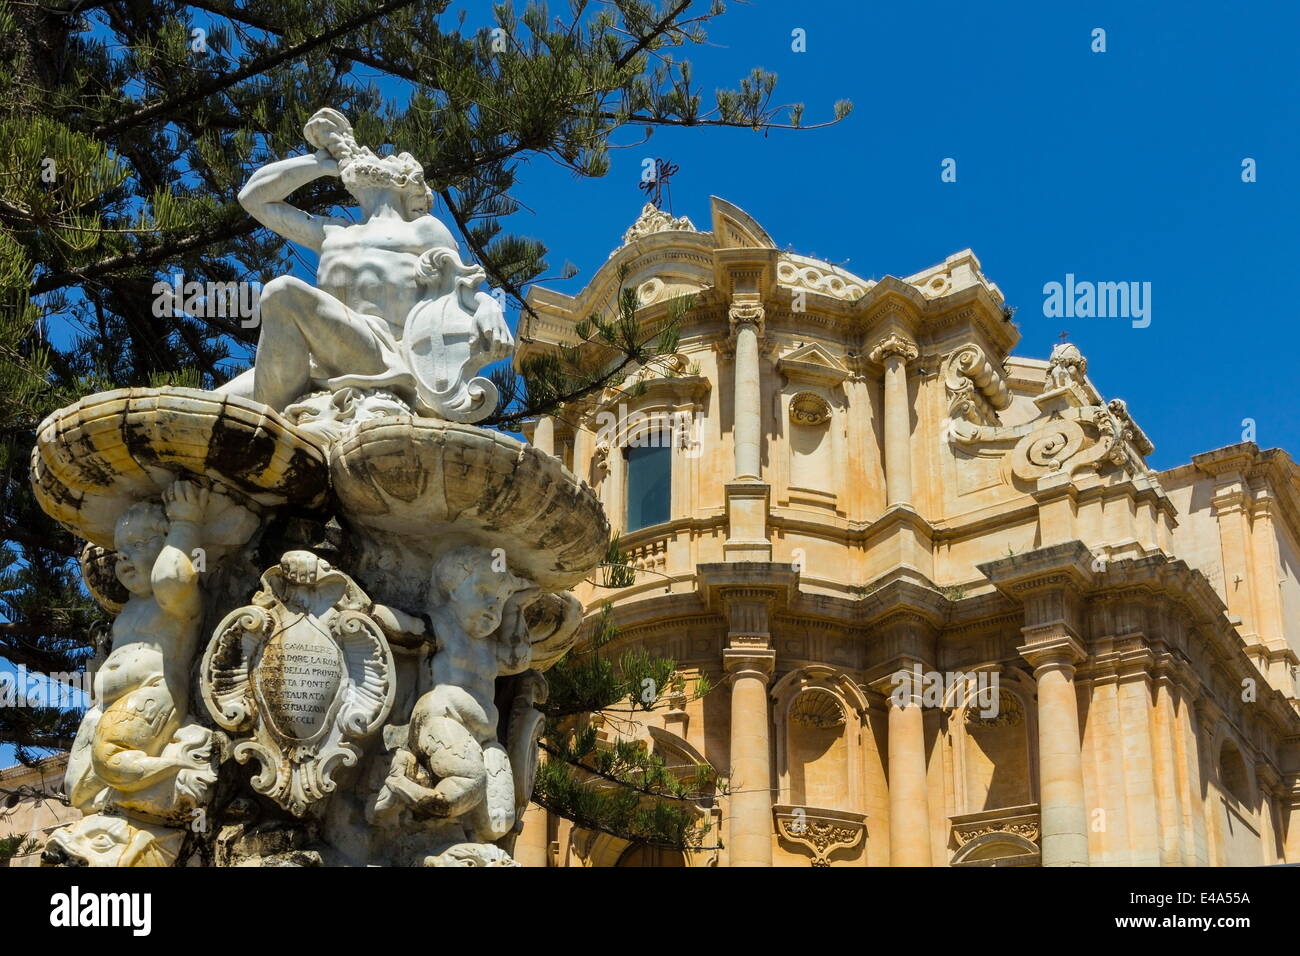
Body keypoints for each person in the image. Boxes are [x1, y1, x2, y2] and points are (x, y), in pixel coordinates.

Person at [217, 108, 512, 422]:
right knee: (208, 405)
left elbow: (461, 287)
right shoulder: (332, 232)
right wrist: (320, 164)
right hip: (321, 357)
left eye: (384, 158)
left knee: (282, 293)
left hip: (381, 352)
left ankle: (267, 435)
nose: (369, 154)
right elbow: (253, 198)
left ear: (403, 179)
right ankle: (270, 430)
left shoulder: (423, 230)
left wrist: (488, 307)